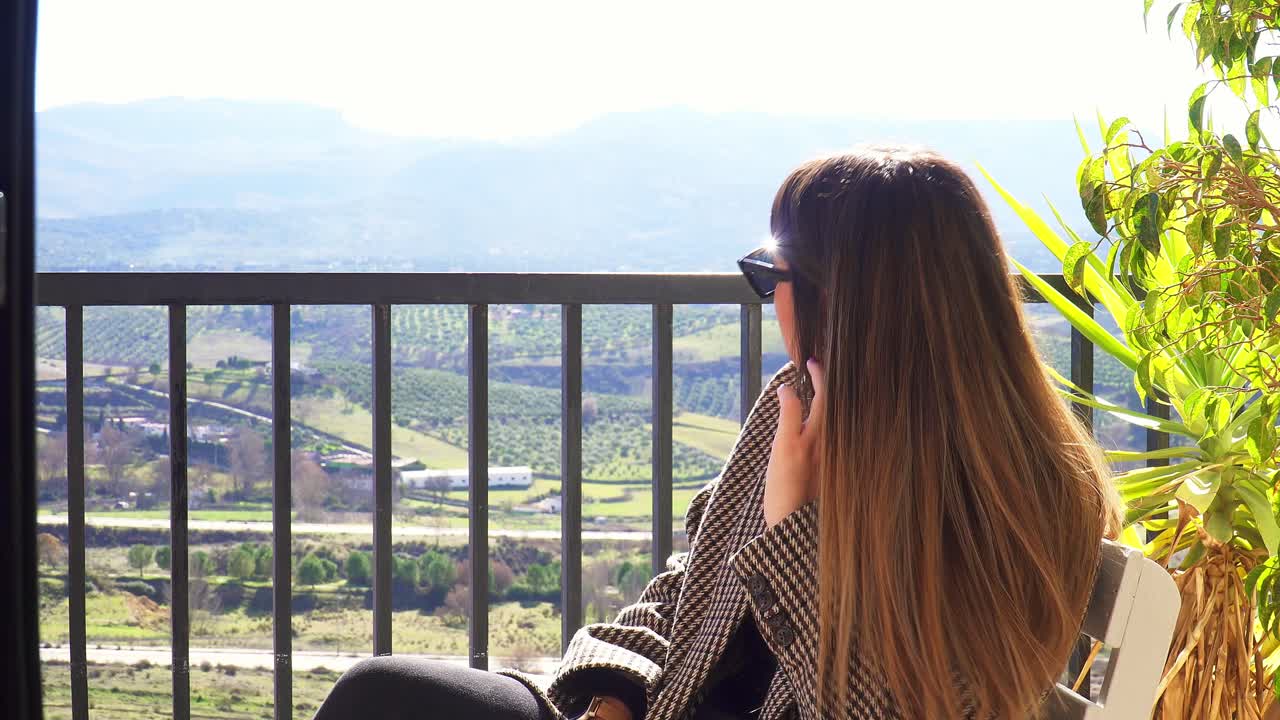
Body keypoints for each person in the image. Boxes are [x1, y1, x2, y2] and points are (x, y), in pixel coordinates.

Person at [311, 146, 1122, 720]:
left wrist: (793, 525)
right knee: (382, 694)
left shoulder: (1017, 500)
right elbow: (689, 584)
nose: (769, 301)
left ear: (854, 304)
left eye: (773, 277)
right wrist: (613, 696)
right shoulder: (796, 406)